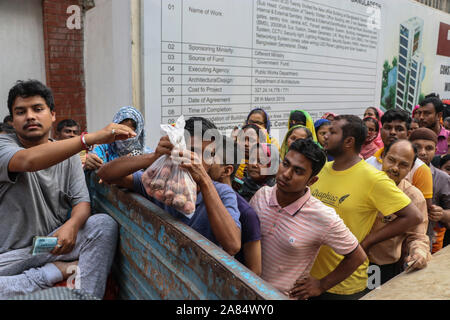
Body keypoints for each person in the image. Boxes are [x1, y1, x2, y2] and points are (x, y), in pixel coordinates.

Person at [0, 80, 130, 298]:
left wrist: (73, 223)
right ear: (12, 121)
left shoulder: (68, 156)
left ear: (52, 115)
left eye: (37, 109)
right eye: (21, 112)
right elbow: (27, 161)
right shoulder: (4, 147)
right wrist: (89, 138)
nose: (30, 116)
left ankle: (87, 296)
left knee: (102, 224)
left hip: (49, 246)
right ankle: (51, 273)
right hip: (10, 257)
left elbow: (81, 202)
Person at [309, 115, 422, 299]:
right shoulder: (322, 169)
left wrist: (368, 241)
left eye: (332, 132)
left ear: (349, 141)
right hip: (310, 276)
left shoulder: (373, 179)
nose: (325, 136)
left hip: (343, 285)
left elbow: (413, 216)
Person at [97, 117, 242, 256]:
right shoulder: (159, 184)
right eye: (192, 151)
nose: (197, 159)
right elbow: (105, 173)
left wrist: (204, 180)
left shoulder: (222, 193)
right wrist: (153, 157)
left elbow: (232, 245)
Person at [249, 138, 367, 300]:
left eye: (298, 171)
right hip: (245, 291)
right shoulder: (261, 195)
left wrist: (321, 285)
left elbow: (357, 257)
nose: (286, 174)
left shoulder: (323, 217)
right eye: (286, 164)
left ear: (311, 181)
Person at [367, 140, 430, 284]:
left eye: (403, 165)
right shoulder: (363, 183)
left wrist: (418, 253)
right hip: (348, 261)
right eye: (391, 160)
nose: (395, 168)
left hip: (380, 268)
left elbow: (417, 237)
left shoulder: (413, 197)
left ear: (411, 167)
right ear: (383, 157)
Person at [208, 136, 262, 275]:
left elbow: (254, 272)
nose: (203, 163)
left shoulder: (246, 213)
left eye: (211, 157)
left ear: (226, 171)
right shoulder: (197, 195)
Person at [366, 109, 433, 208]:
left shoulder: (420, 169)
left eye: (399, 129)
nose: (392, 132)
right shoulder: (368, 162)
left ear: (408, 134)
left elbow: (423, 209)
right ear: (380, 131)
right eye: (388, 127)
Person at [409, 128, 450, 253]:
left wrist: (442, 214)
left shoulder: (443, 179)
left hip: (423, 244)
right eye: (417, 147)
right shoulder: (397, 171)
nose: (422, 152)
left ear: (436, 150)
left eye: (429, 148)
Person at [84, 106, 151, 171]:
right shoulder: (103, 150)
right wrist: (88, 161)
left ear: (138, 133)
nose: (125, 137)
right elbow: (89, 160)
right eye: (121, 131)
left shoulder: (146, 156)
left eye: (129, 133)